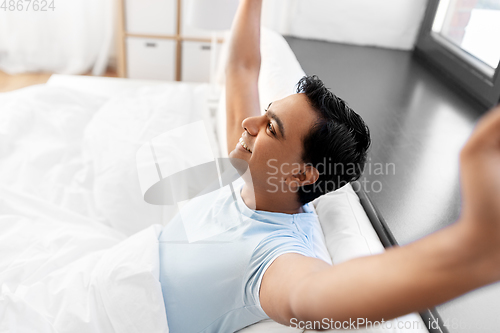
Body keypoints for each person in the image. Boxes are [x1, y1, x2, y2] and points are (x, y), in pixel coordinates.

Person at [158, 0, 500, 332]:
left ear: (302, 173)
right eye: (265, 112)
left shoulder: (274, 252)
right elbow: (243, 69)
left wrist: (470, 249)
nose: (249, 122)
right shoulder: (249, 173)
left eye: (271, 128)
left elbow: (313, 298)